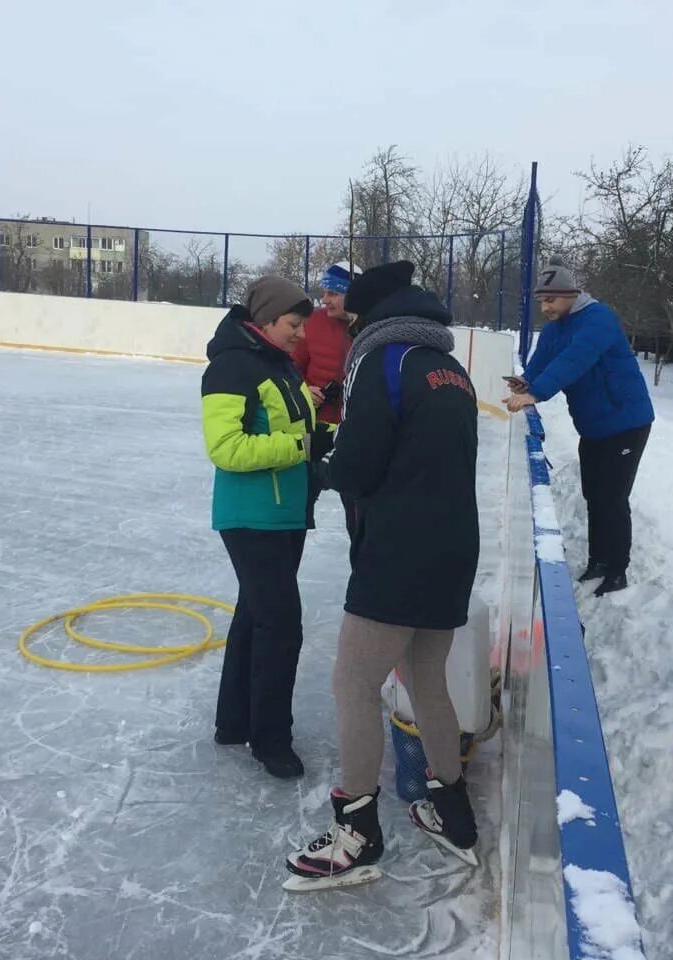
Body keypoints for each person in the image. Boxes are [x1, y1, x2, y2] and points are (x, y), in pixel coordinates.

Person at [283, 261, 481, 891]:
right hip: (453, 548)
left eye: (353, 317)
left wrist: (326, 466)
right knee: (427, 682)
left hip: (398, 552)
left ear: (372, 315)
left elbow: (362, 465)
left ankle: (357, 835)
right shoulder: (452, 369)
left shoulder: (383, 361)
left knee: (352, 683)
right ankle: (454, 813)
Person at [201, 276, 332, 781]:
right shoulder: (232, 366)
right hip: (251, 516)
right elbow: (226, 448)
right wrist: (300, 449)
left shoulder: (277, 365)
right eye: (295, 324)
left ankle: (234, 722)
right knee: (281, 626)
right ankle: (271, 738)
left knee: (255, 615)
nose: (302, 334)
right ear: (266, 320)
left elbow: (296, 429)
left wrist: (332, 435)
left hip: (284, 513)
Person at [503, 257, 654, 595]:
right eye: (541, 301)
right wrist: (527, 381)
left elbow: (576, 359)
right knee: (594, 495)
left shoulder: (598, 319)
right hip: (594, 426)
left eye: (551, 299)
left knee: (612, 497)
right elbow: (544, 361)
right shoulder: (557, 328)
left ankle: (618, 570)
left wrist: (537, 393)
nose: (545, 307)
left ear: (571, 293)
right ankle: (598, 561)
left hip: (626, 422)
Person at [293, 261, 361, 542]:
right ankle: (285, 568)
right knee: (298, 502)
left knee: (357, 513)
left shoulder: (369, 326)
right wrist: (304, 391)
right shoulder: (312, 323)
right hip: (314, 429)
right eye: (325, 292)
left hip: (352, 434)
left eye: (334, 292)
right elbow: (287, 372)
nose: (326, 299)